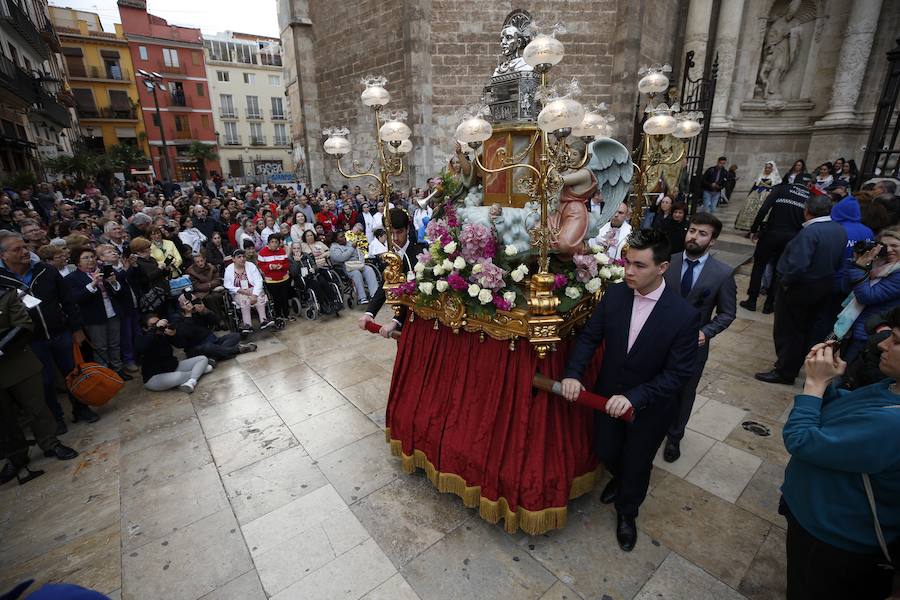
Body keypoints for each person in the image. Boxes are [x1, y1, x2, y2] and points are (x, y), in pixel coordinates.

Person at [561, 229, 699, 551]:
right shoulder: (615, 295)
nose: (628, 271)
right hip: (607, 396)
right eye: (626, 262)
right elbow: (590, 338)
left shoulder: (683, 316)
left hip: (649, 409)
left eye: (639, 265)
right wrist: (573, 374)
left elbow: (678, 374)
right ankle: (619, 479)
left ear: (662, 267)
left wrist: (635, 397)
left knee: (637, 463)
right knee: (606, 450)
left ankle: (627, 512)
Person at [780, 332, 900, 599]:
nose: (883, 344)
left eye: (897, 341)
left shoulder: (893, 425)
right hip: (811, 514)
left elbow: (800, 439)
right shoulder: (891, 387)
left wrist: (813, 384)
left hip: (832, 543)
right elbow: (840, 412)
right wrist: (828, 381)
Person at [0, 233, 97, 433]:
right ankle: (56, 419)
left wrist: (77, 328)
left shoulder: (45, 270)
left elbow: (68, 301)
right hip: (30, 342)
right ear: (3, 256)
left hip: (60, 333)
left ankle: (81, 409)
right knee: (44, 382)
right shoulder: (2, 281)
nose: (25, 251)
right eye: (17, 249)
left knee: (73, 373)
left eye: (24, 246)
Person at [661, 213, 737, 461]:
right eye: (692, 230)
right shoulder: (666, 263)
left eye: (702, 233)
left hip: (693, 346)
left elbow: (727, 313)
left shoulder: (722, 274)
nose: (694, 236)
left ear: (712, 241)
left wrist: (706, 331)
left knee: (684, 392)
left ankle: (674, 437)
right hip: (659, 340)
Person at [756, 195, 848, 385]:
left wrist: (785, 283)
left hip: (799, 289)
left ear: (807, 211)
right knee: (806, 329)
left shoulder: (810, 233)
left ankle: (785, 371)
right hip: (823, 287)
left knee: (788, 330)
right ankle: (793, 364)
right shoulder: (839, 230)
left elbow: (797, 266)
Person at [0, 286, 78, 486]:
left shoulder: (6, 295)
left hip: (19, 364)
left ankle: (50, 443)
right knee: (4, 419)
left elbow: (24, 325)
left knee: (36, 406)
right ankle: (16, 457)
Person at [740, 181, 811, 313]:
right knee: (779, 270)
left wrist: (754, 229)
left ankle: (752, 300)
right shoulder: (809, 195)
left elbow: (764, 209)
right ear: (808, 183)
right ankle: (769, 304)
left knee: (759, 266)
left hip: (771, 233)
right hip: (792, 237)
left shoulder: (781, 189)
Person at [833, 230, 900, 364]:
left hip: (867, 334)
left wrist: (859, 269)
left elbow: (866, 296)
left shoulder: (897, 274)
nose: (889, 250)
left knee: (846, 375)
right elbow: (845, 288)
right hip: (853, 328)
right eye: (884, 246)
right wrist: (856, 262)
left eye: (895, 246)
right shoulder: (877, 266)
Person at [65, 247, 131, 378]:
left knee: (115, 343)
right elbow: (77, 299)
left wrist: (113, 283)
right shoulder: (72, 278)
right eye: (86, 258)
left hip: (112, 312)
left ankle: (118, 369)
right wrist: (93, 284)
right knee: (101, 347)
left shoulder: (105, 271)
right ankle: (106, 374)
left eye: (92, 257)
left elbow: (121, 292)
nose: (91, 260)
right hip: (94, 317)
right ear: (78, 263)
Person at [359, 209, 426, 337]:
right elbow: (386, 283)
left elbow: (415, 294)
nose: (395, 238)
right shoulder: (391, 254)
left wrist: (396, 321)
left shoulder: (420, 254)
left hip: (419, 320)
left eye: (399, 232)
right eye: (391, 233)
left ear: (407, 229)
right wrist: (370, 312)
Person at [137, 314, 213, 394]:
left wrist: (174, 335)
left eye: (158, 323)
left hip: (172, 367)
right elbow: (142, 347)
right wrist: (154, 330)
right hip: (154, 378)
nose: (158, 326)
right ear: (145, 328)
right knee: (179, 376)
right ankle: (201, 371)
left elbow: (182, 344)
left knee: (202, 358)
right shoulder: (142, 338)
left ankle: (192, 381)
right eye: (153, 325)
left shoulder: (163, 334)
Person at [169, 292, 255, 359]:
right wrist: (188, 315)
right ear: (181, 305)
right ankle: (237, 350)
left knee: (235, 336)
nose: (193, 304)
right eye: (189, 302)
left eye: (194, 301)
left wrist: (205, 311)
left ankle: (215, 356)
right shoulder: (176, 317)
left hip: (214, 340)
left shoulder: (197, 311)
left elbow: (215, 321)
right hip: (196, 347)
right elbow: (187, 333)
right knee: (209, 348)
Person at [224, 249, 270, 334]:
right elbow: (227, 284)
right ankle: (247, 324)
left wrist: (255, 295)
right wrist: (241, 291)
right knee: (245, 301)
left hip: (253, 289)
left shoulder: (251, 265)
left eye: (243, 256)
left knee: (260, 297)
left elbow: (258, 280)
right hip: (238, 292)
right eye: (239, 257)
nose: (242, 259)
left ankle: (264, 320)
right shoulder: (229, 269)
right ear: (233, 259)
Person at [330, 230, 378, 305]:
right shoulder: (334, 248)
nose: (344, 238)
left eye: (344, 235)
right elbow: (341, 258)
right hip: (346, 267)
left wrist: (362, 262)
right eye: (341, 237)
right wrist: (352, 248)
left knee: (369, 269)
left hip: (358, 264)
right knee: (356, 273)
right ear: (336, 239)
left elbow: (360, 254)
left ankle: (374, 294)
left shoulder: (350, 243)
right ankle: (362, 298)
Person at [735, 160, 780, 231]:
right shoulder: (761, 175)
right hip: (756, 194)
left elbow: (776, 188)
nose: (767, 169)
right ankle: (748, 226)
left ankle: (758, 227)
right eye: (766, 167)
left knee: (761, 211)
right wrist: (749, 195)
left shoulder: (776, 178)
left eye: (769, 168)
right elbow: (755, 186)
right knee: (750, 209)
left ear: (772, 169)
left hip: (766, 195)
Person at [257, 233, 293, 321]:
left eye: (276, 242)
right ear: (268, 243)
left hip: (284, 278)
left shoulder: (282, 251)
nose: (274, 244)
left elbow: (287, 264)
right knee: (276, 299)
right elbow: (261, 266)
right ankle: (278, 316)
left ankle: (286, 315)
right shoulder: (262, 253)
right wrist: (270, 266)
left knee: (285, 297)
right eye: (272, 242)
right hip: (271, 281)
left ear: (279, 243)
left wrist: (282, 266)